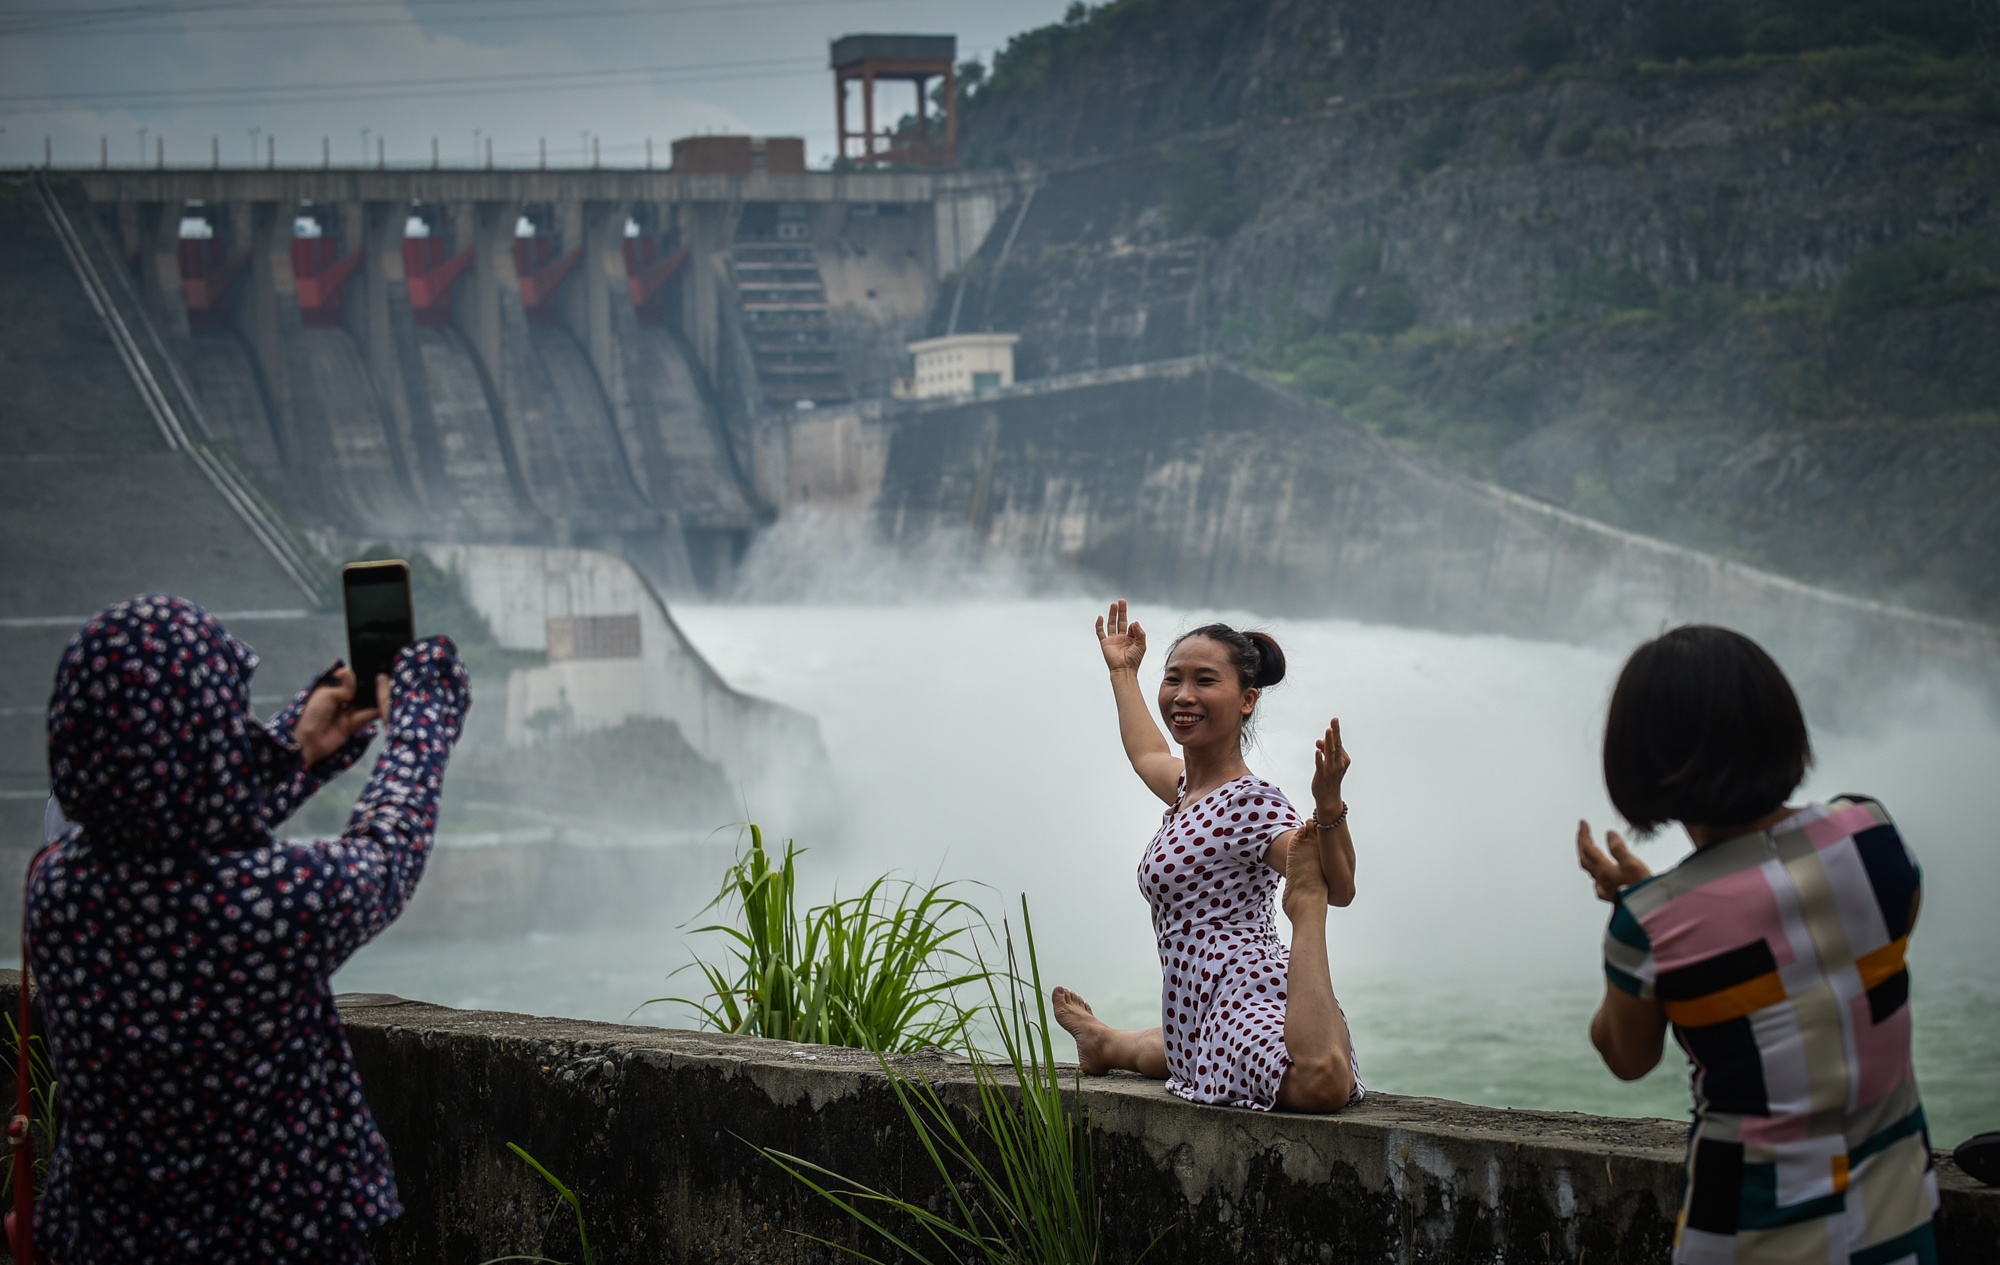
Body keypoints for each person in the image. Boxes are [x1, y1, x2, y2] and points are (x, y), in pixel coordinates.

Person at [29, 594, 470, 1263]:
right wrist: (421, 721)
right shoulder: (265, 902)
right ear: (204, 732)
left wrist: (296, 745)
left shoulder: (56, 889)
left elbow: (167, 814)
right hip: (273, 1240)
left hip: (107, 1239)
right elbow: (387, 854)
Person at [1576, 625, 1936, 1264]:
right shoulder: (1872, 837)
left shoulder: (1651, 926)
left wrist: (1641, 907)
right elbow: (1816, 926)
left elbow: (1625, 1054)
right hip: (1896, 1231)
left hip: (1745, 1237)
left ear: (1642, 761)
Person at [1052, 599, 1363, 1113]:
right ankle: (1106, 1043)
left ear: (1247, 701)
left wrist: (1329, 810)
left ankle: (1302, 914)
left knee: (1322, 1085)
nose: (1183, 695)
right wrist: (1124, 672)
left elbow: (1342, 885)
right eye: (1173, 679)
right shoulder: (1183, 790)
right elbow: (1146, 752)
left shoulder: (1250, 801)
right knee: (1190, 1053)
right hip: (1194, 1005)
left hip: (1246, 991)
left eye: (1205, 681)